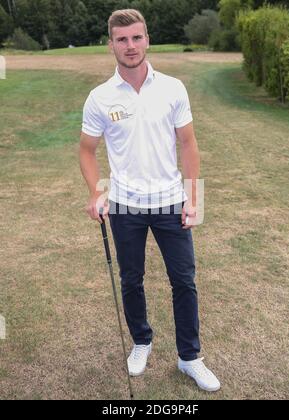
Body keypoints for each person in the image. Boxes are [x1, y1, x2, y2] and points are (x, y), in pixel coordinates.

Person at [79, 9, 220, 392]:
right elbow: (87, 151)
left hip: (171, 202)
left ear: (147, 39)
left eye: (136, 37)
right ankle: (141, 341)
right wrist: (97, 192)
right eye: (122, 39)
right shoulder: (100, 97)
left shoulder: (173, 88)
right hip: (124, 205)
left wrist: (195, 200)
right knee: (131, 279)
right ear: (111, 44)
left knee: (184, 281)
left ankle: (189, 356)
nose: (130, 46)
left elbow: (188, 144)